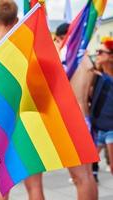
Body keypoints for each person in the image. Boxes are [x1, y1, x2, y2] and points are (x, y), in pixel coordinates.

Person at [0, 1, 44, 200]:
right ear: (16, 20)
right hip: (26, 124)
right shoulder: (27, 51)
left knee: (0, 189)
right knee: (35, 187)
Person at [54, 23, 98, 200]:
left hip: (72, 122)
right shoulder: (85, 58)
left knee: (79, 178)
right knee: (87, 175)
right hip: (86, 118)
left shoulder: (67, 60)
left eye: (57, 39)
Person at [90, 37, 113, 178]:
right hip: (97, 128)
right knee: (88, 165)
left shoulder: (104, 77)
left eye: (101, 52)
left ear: (111, 56)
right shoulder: (97, 75)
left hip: (111, 128)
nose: (97, 54)